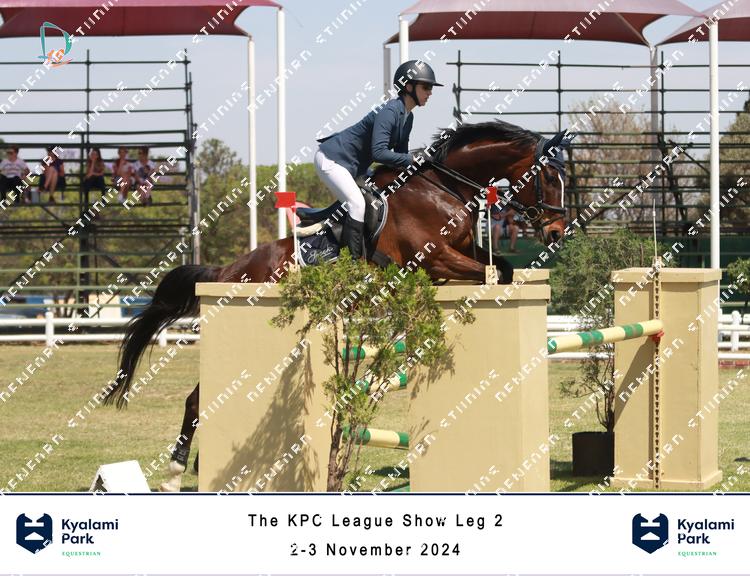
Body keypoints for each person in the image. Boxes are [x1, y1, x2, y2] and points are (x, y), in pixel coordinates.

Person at [314, 60, 442, 259]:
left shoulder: (408, 117)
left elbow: (400, 156)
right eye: (426, 87)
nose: (430, 92)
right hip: (332, 160)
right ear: (409, 87)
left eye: (431, 88)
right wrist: (414, 158)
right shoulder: (389, 112)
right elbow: (379, 153)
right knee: (357, 204)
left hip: (353, 166)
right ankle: (353, 264)